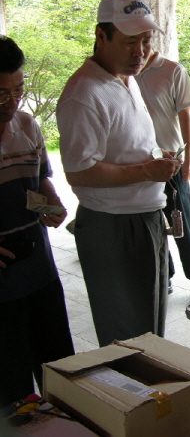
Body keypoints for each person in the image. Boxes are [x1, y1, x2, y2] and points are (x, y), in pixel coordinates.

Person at [57, 0, 181, 347]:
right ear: (101, 36)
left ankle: (152, 397)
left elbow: (125, 147)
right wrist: (146, 171)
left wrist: (158, 162)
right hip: (114, 224)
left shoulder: (125, 78)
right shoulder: (84, 93)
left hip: (145, 216)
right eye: (129, 42)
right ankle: (129, 398)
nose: (140, 52)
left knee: (150, 325)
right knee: (127, 336)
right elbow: (80, 172)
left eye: (145, 41)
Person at [0, 36, 74, 406]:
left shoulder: (27, 127)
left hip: (39, 269)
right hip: (2, 280)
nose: (12, 102)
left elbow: (41, 176)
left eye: (18, 91)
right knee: (11, 386)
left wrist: (53, 203)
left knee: (58, 368)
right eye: (1, 94)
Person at [136, 50, 190, 299]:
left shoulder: (171, 70)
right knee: (152, 224)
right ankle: (164, 274)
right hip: (140, 163)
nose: (140, 48)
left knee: (183, 223)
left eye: (145, 40)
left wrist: (189, 157)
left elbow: (185, 117)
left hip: (171, 162)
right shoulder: (124, 71)